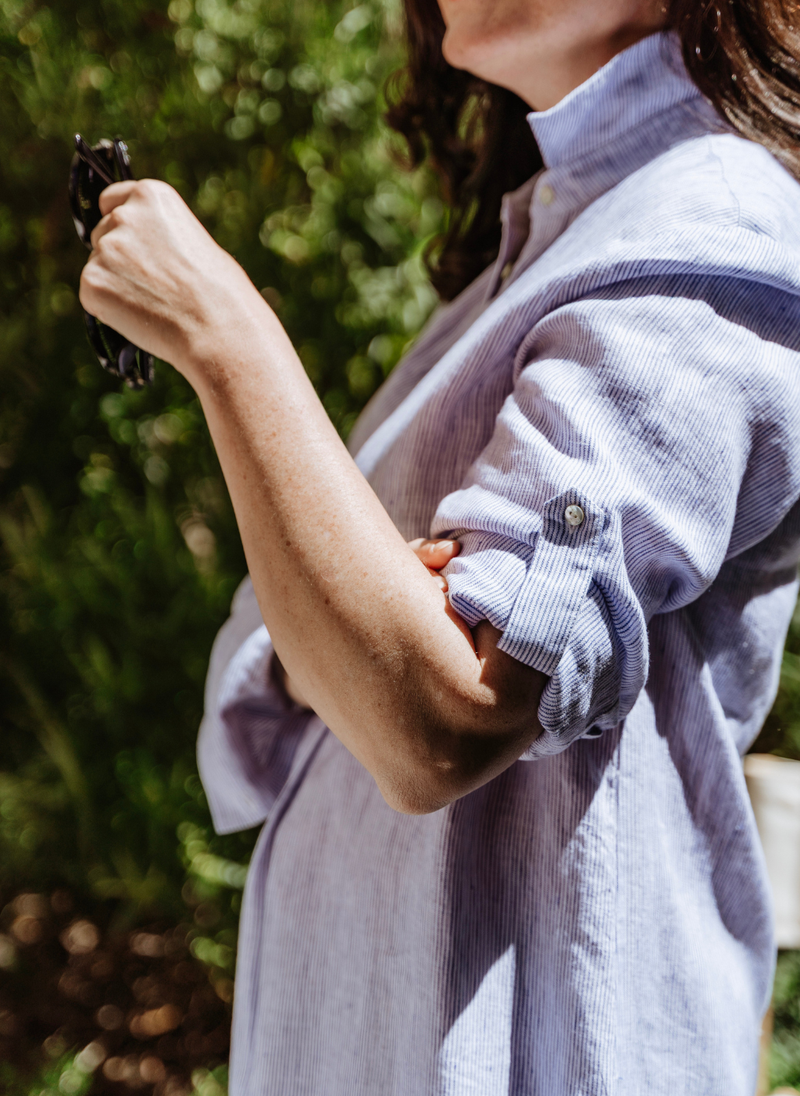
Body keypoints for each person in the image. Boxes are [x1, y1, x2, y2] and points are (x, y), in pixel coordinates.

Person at [79, 0, 800, 1089]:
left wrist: (223, 332)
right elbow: (359, 652)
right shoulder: (544, 250)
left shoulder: (710, 222)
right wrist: (377, 617)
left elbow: (435, 715)